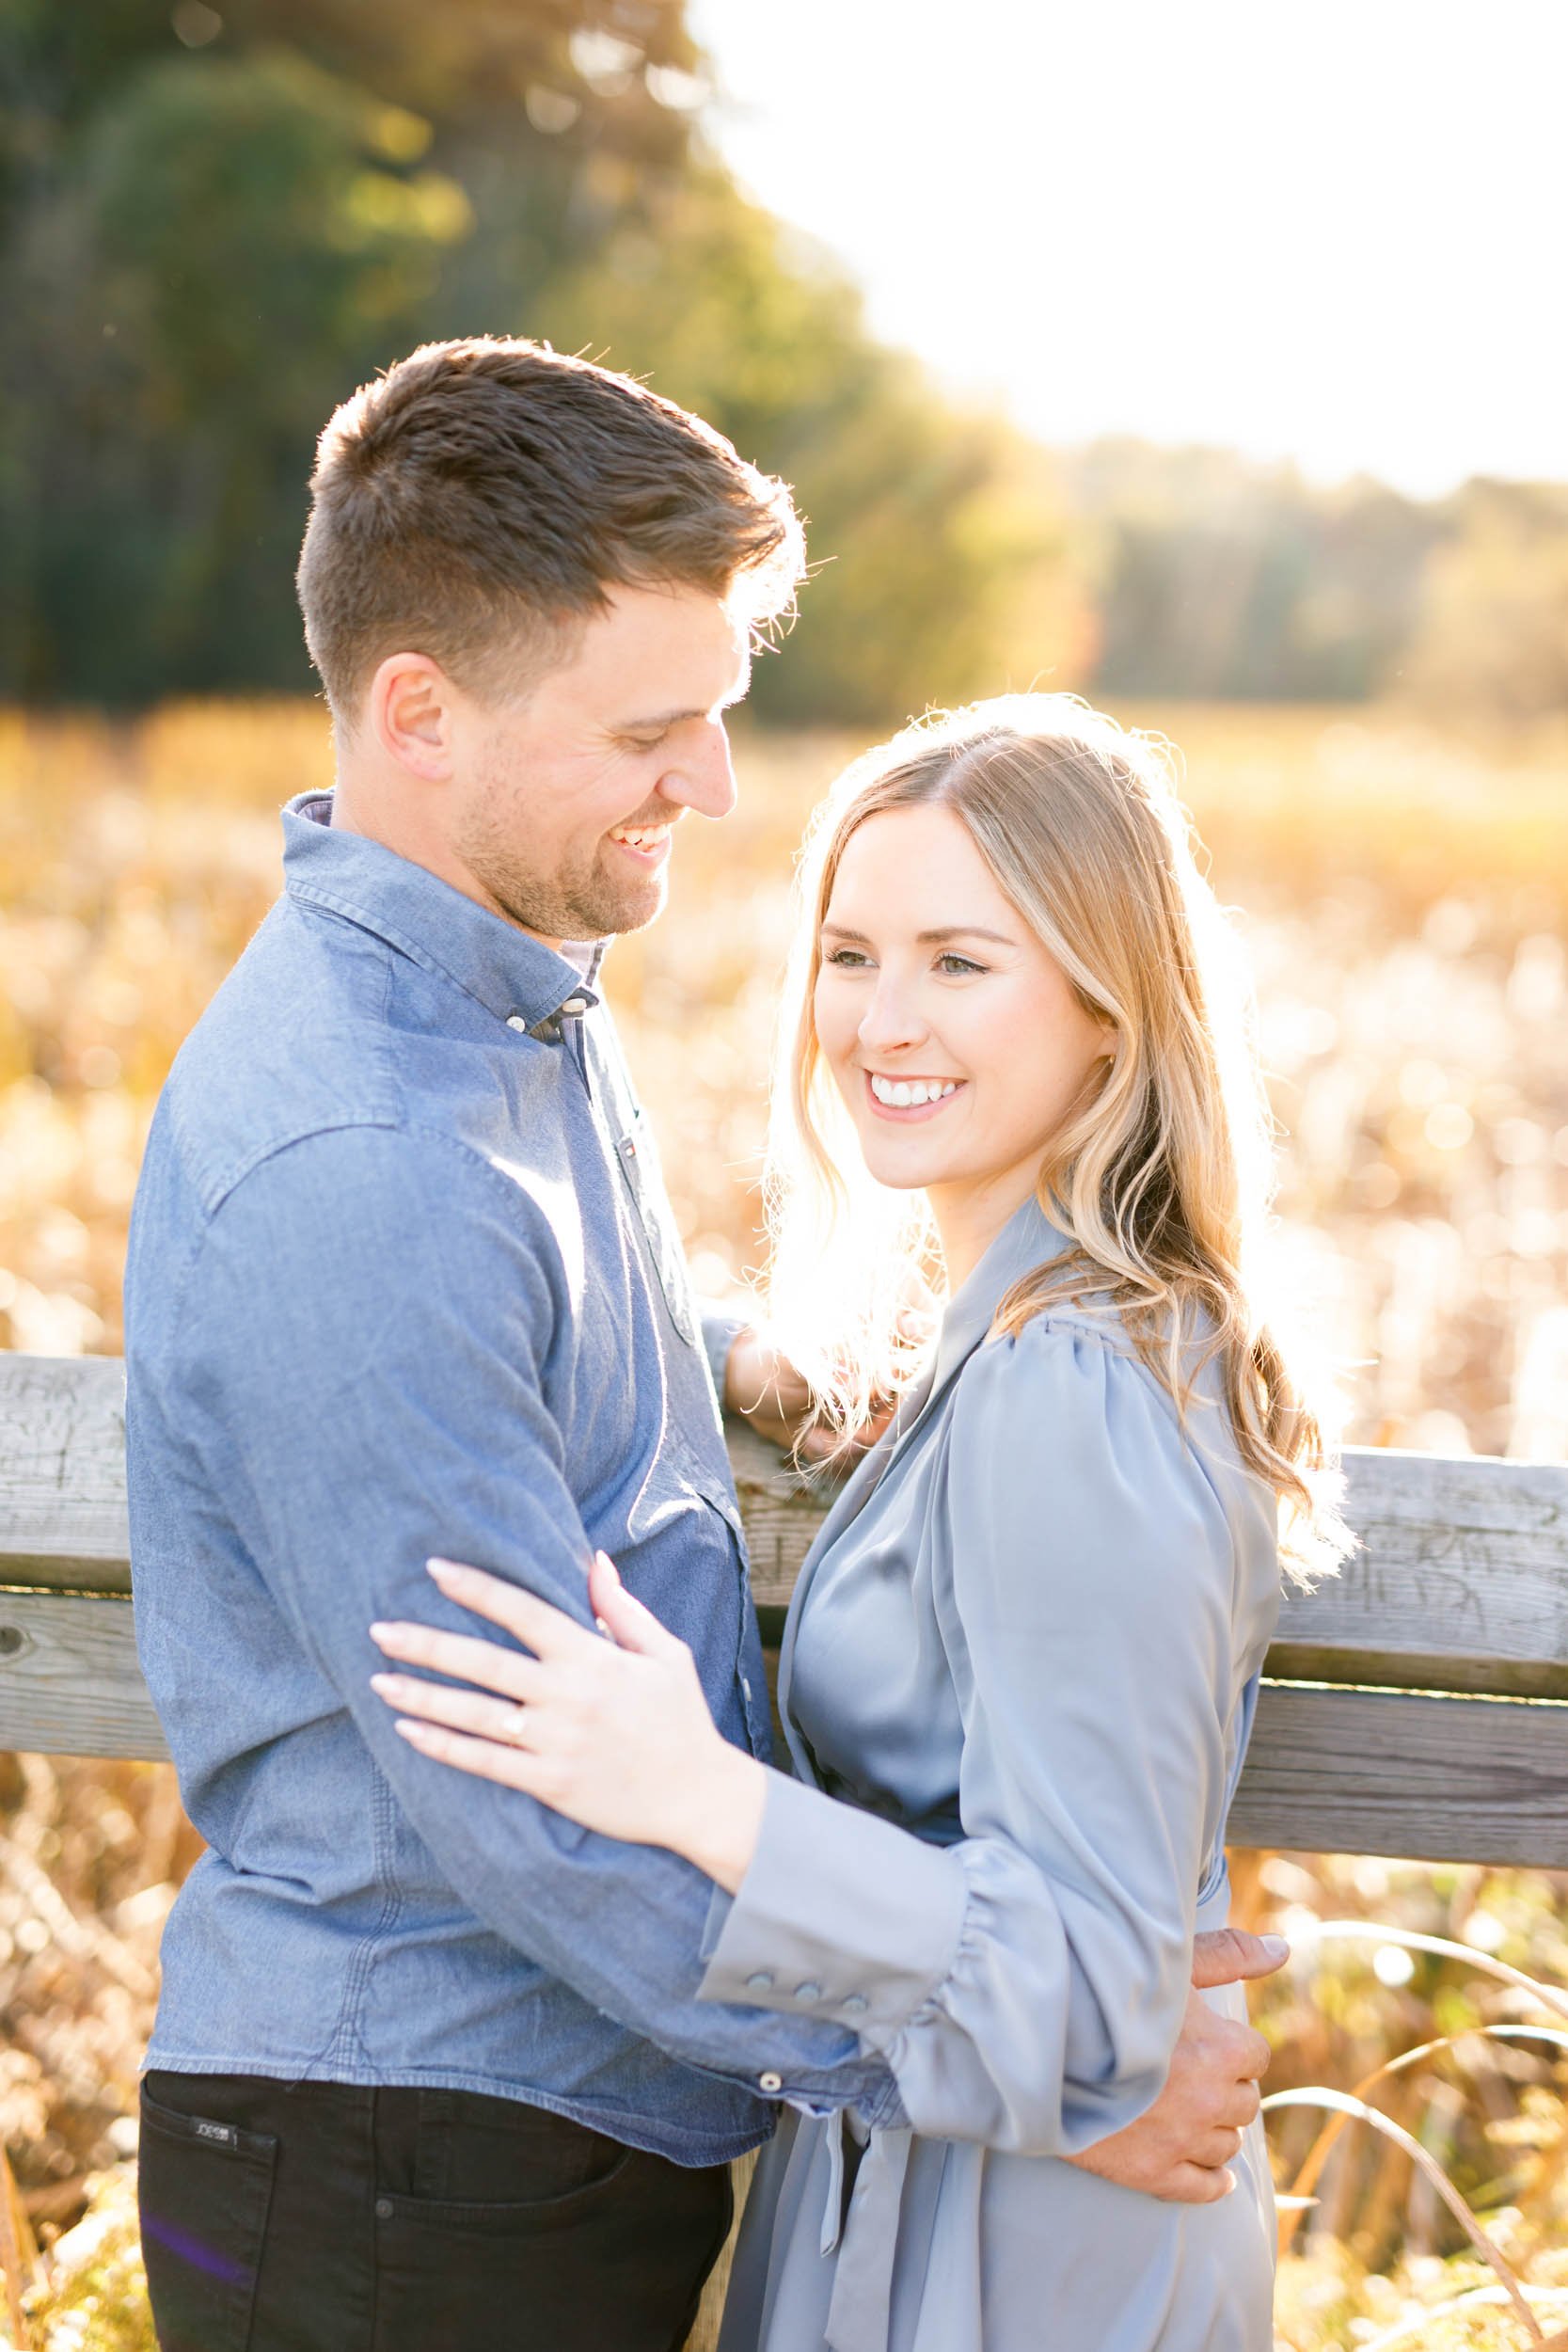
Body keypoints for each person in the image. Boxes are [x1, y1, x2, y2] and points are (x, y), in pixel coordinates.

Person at [124, 340, 1285, 2352]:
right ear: (419, 711)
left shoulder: (505, 1019)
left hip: (525, 2150)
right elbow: (538, 1806)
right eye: (654, 725)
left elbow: (526, 1377)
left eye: (720, 714)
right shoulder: (368, 1150)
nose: (715, 785)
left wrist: (737, 1361)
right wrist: (1047, 2073)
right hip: (419, 2159)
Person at [367, 695, 1352, 2351]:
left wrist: (700, 1797)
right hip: (950, 2183)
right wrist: (740, 1355)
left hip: (1028, 2251)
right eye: (851, 954)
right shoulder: (1012, 1339)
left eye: (963, 962)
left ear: (1113, 1007)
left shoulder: (1072, 1390)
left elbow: (1093, 1996)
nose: (882, 1021)